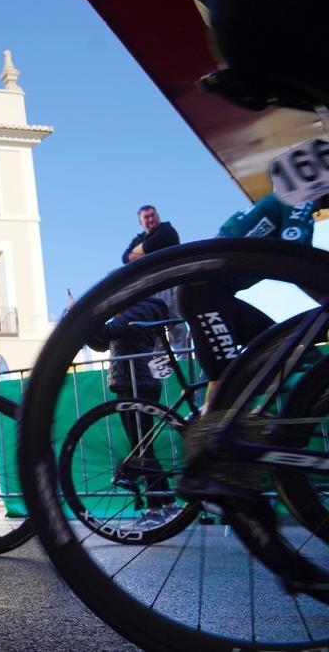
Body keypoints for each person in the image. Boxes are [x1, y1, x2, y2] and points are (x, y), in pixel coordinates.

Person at [176, 192, 323, 408]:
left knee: (287, 345)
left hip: (220, 294)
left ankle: (261, 420)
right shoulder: (299, 201)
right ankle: (209, 432)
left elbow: (307, 269)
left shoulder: (293, 203)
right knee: (226, 384)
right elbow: (296, 260)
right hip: (202, 293)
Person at [87, 295, 178, 528]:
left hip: (140, 382)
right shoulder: (130, 311)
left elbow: (107, 332)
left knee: (142, 447)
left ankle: (160, 506)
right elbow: (99, 342)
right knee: (141, 446)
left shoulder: (143, 307)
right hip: (128, 381)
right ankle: (164, 504)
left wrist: (88, 314)